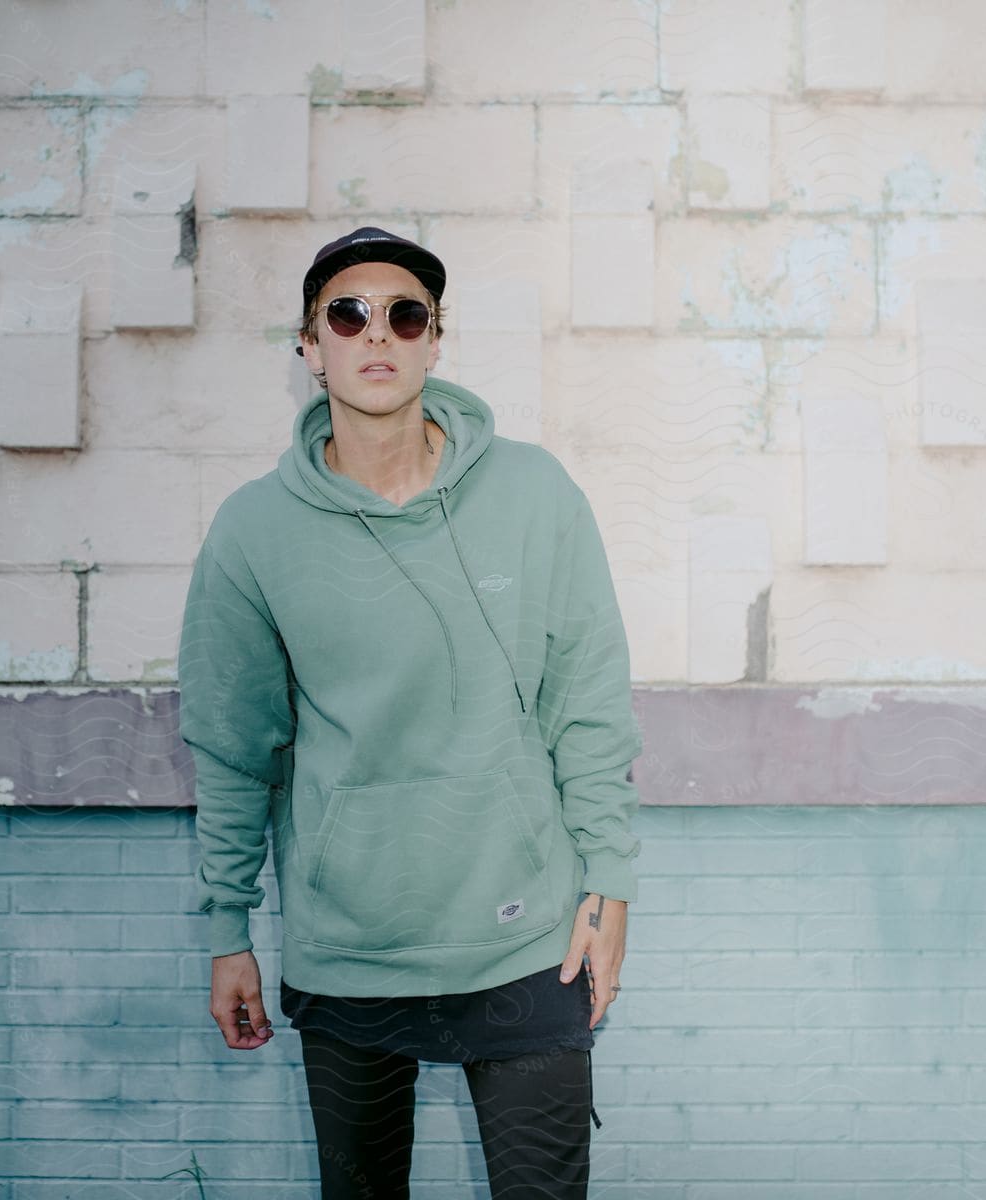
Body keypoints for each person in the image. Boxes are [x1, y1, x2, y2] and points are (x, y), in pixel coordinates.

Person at [178, 226, 643, 1199]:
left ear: (435, 341)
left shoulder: (532, 492)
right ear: (310, 346)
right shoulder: (255, 532)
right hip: (350, 948)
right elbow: (232, 747)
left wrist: (609, 883)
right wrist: (229, 928)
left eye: (404, 314)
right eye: (347, 315)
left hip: (526, 939)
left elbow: (588, 702)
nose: (375, 334)